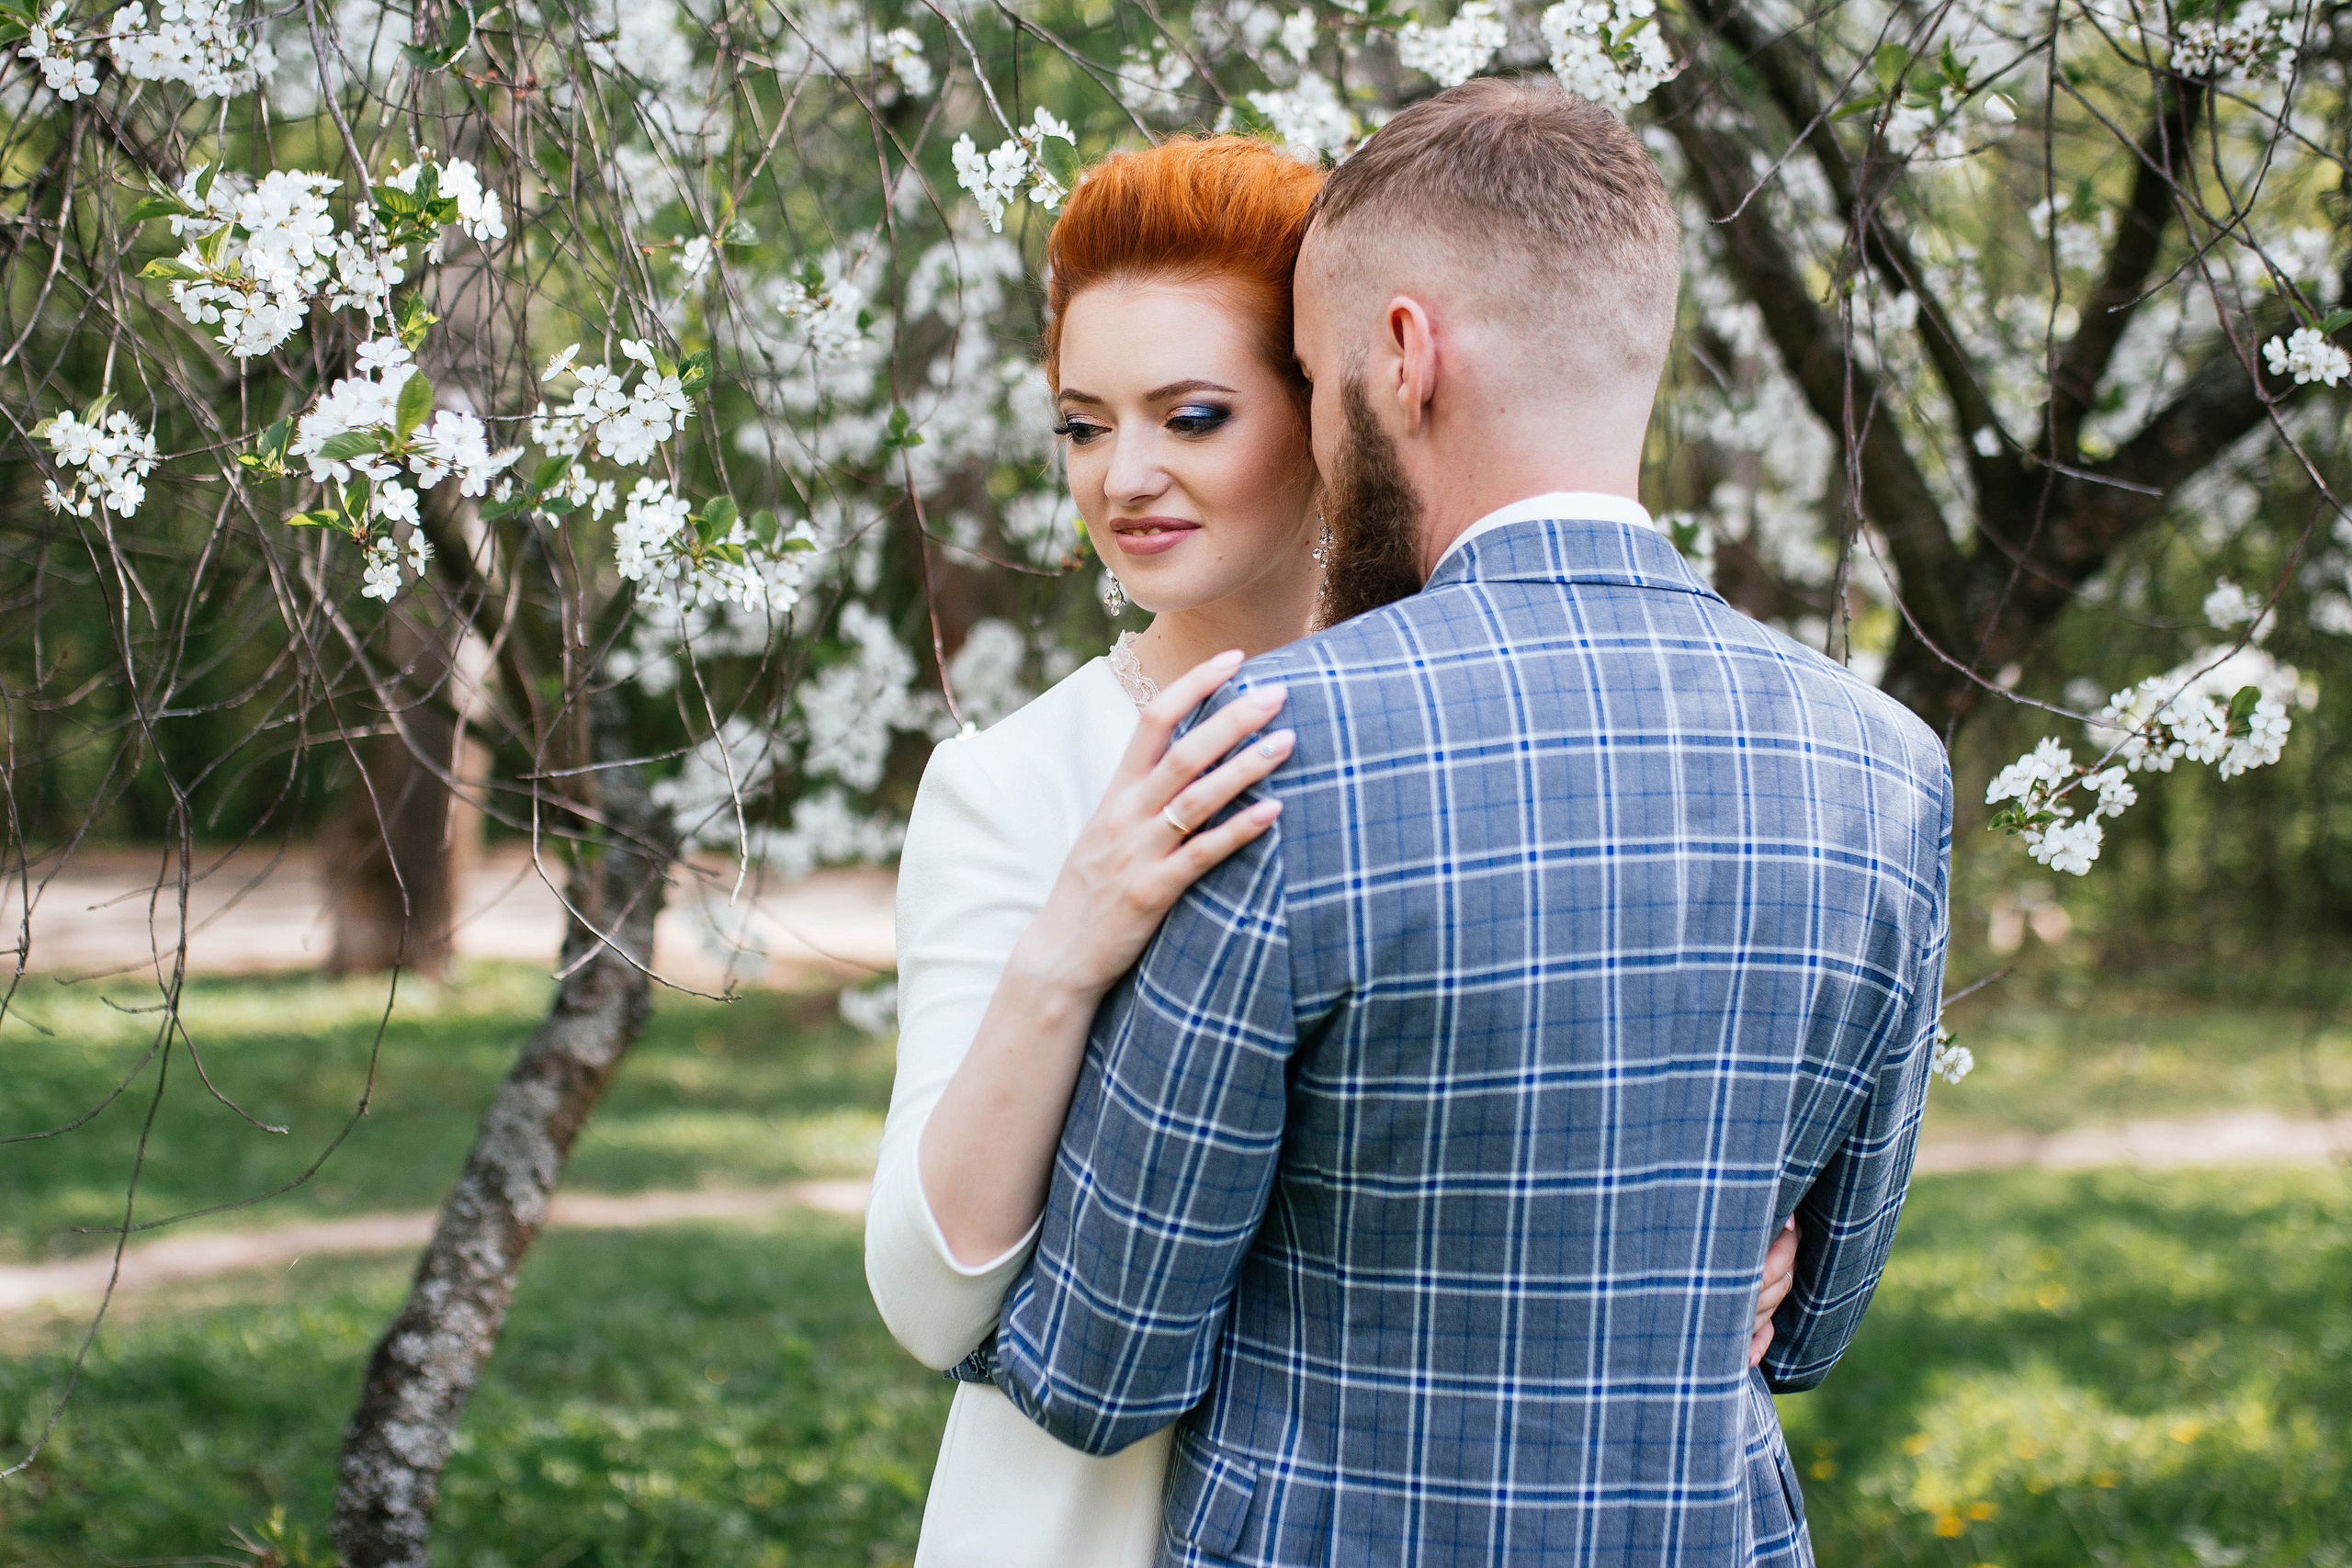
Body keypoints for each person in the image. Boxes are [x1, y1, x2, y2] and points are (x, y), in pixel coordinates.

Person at [989, 81, 1954, 1568]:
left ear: (1403, 354)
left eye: (1309, 380)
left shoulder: (1270, 751)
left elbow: (1102, 1363)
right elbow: (1810, 1318)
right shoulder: (1888, 770)